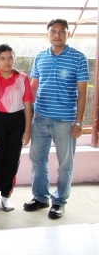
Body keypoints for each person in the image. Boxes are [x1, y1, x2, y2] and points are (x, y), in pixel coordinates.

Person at [23, 19, 89, 219]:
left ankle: (59, 202)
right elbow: (33, 87)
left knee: (65, 163)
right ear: (48, 34)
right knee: (37, 159)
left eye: (62, 31)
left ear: (68, 34)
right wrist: (31, 114)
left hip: (65, 121)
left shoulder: (78, 58)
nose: (57, 35)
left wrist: (78, 123)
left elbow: (83, 93)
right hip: (40, 118)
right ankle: (41, 197)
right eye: (53, 31)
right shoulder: (40, 57)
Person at [0, 44, 33, 212]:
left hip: (17, 121)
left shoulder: (22, 78)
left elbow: (27, 105)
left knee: (12, 160)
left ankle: (6, 196)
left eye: (10, 58)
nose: (7, 62)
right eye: (3, 58)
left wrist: (27, 130)